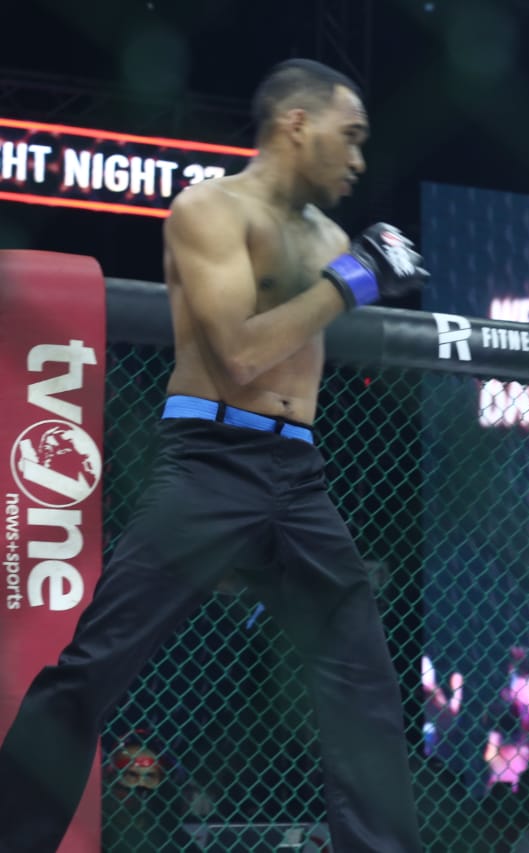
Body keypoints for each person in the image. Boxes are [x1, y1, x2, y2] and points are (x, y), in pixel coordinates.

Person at [0, 58, 427, 853]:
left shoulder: (331, 238)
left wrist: (350, 276)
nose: (360, 159)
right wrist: (353, 281)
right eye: (350, 136)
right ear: (296, 124)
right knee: (94, 664)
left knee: (364, 686)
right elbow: (240, 355)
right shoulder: (209, 209)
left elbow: (303, 351)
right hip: (209, 462)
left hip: (299, 473)